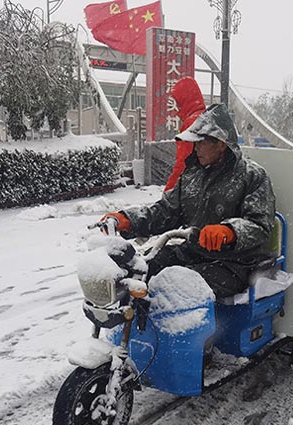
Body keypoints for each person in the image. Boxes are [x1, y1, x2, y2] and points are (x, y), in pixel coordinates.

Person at [100, 103, 276, 300]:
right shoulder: (192, 176)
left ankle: (179, 329)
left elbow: (260, 225)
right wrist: (128, 219)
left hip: (237, 263)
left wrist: (229, 232)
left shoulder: (252, 176)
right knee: (144, 267)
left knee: (181, 286)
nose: (196, 148)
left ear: (220, 143)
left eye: (201, 142)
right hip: (194, 251)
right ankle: (134, 324)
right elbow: (165, 211)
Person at [164, 76, 206, 192]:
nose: (177, 106)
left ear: (184, 99)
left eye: (178, 101)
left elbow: (183, 162)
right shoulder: (205, 118)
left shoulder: (191, 123)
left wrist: (169, 191)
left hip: (191, 186)